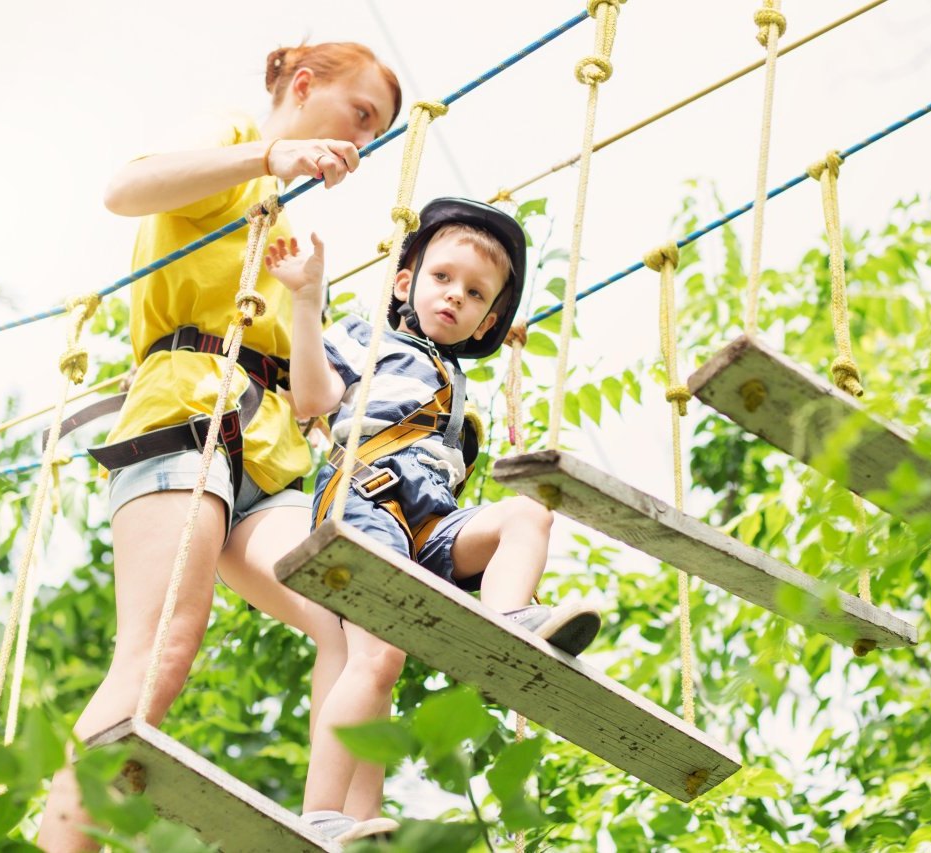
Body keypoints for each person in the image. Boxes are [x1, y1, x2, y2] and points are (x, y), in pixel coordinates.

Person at [38, 42, 402, 851]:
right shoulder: (233, 144)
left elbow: (314, 398)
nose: (364, 139)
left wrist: (308, 300)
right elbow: (124, 188)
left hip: (269, 447)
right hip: (185, 416)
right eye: (361, 114)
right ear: (304, 87)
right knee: (162, 647)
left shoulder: (285, 230)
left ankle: (336, 817)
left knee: (354, 621)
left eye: (375, 129)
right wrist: (270, 152)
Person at [263, 197, 602, 843]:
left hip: (432, 523)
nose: (453, 297)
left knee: (526, 511)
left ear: (488, 318)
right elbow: (312, 398)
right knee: (377, 658)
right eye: (441, 278)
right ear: (404, 282)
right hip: (367, 502)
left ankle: (508, 622)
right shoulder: (365, 337)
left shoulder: (455, 375)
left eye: (474, 294)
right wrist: (308, 303)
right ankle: (321, 813)